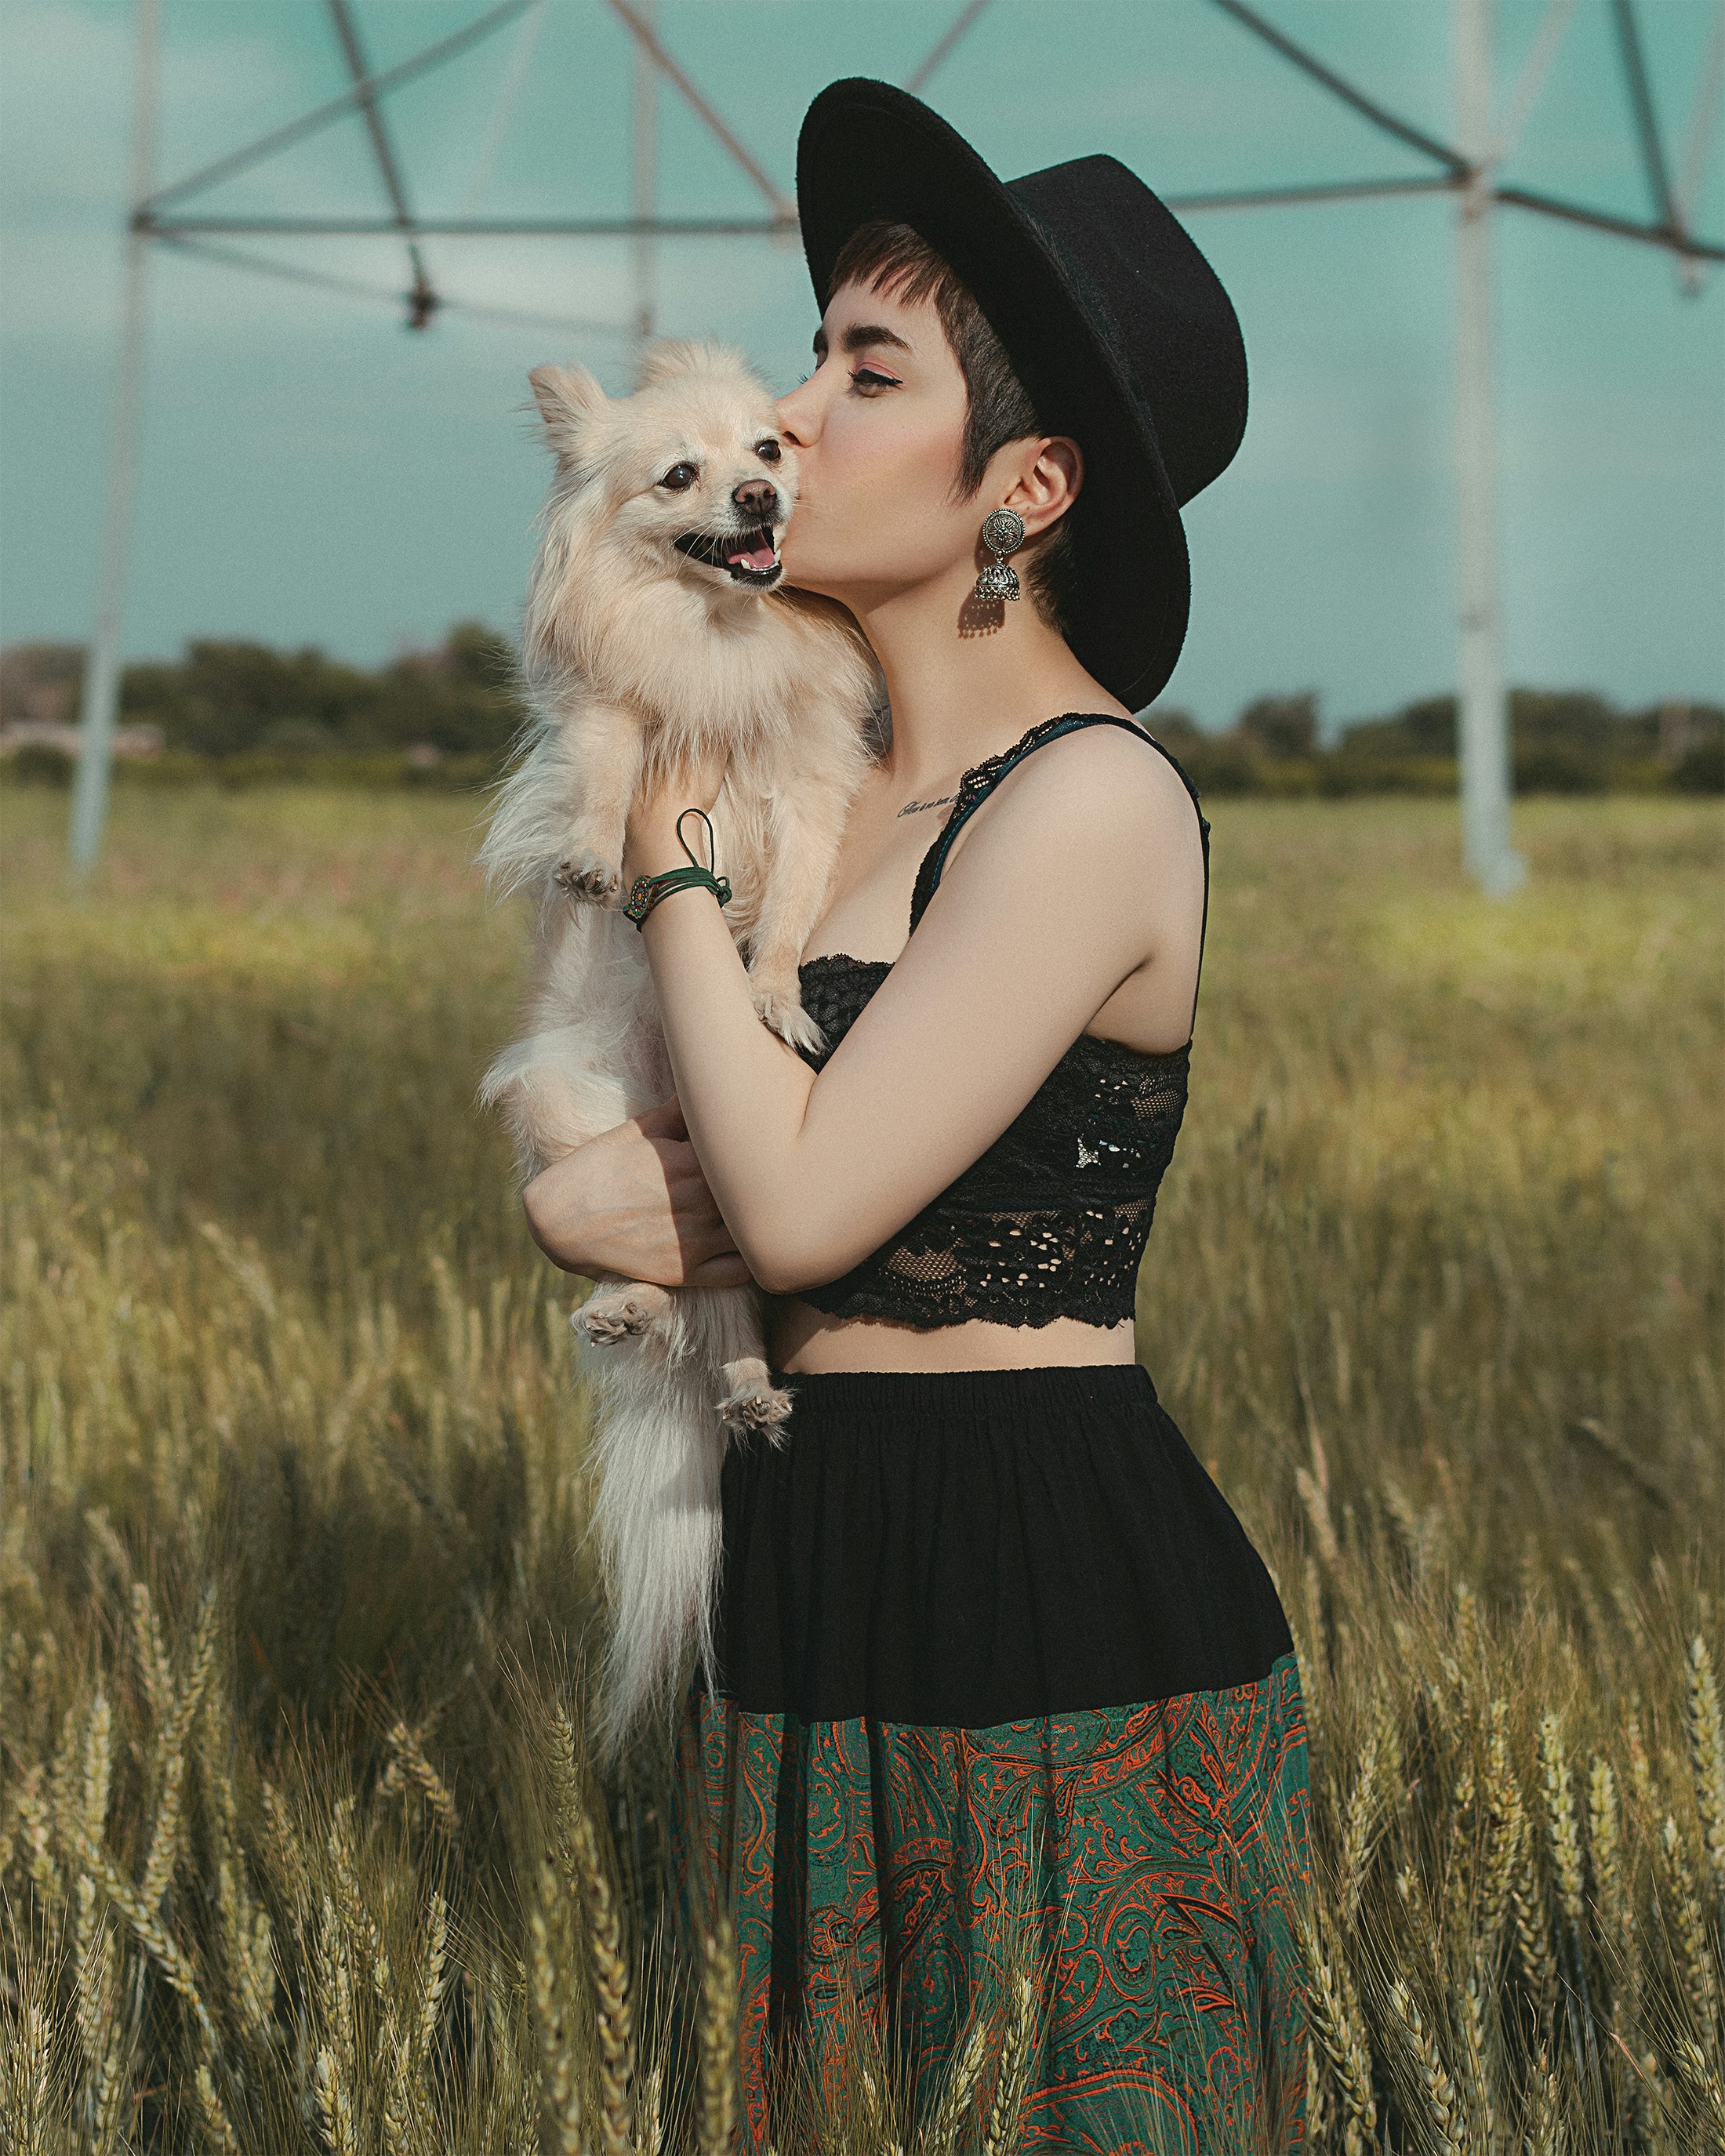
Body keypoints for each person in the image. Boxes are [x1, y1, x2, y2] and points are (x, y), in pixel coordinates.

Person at [521, 77, 1310, 2154]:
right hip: (805, 1550)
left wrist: (680, 875)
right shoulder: (832, 790)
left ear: (1022, 487)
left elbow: (775, 1216)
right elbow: (591, 1194)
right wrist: (740, 1161)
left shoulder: (1089, 800)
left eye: (861, 370)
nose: (790, 414)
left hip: (1043, 1586)